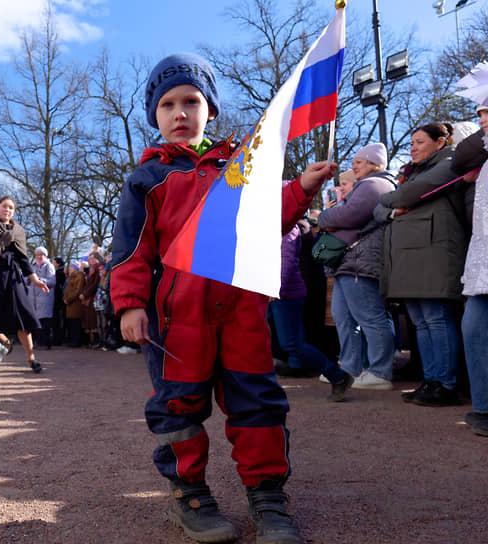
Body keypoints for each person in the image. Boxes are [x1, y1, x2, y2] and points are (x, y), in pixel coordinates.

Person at [110, 53, 336, 544]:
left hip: (242, 313)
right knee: (178, 406)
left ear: (209, 109)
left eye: (191, 101)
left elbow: (263, 219)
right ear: (155, 115)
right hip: (177, 319)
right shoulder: (147, 179)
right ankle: (188, 494)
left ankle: (268, 499)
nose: (179, 113)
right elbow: (130, 247)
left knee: (258, 403)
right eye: (167, 104)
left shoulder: (240, 166)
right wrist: (129, 302)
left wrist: (301, 189)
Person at [375, 123, 467, 407]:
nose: (412, 147)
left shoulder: (451, 162)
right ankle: (431, 381)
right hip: (411, 258)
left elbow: (399, 196)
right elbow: (379, 211)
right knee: (421, 322)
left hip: (435, 255)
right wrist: (391, 210)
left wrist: (390, 200)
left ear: (440, 143)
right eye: (411, 142)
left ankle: (446, 384)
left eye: (419, 142)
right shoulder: (412, 173)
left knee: (436, 319)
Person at [317, 143, 397, 390]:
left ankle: (380, 372)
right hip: (350, 261)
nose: (354, 166)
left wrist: (323, 218)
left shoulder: (374, 184)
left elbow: (350, 214)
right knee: (344, 317)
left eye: (360, 162)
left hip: (361, 261)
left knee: (369, 316)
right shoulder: (368, 184)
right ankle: (351, 367)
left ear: (374, 164)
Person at [271, 217, 354, 401]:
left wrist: (276, 289)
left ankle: (338, 376)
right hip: (273, 292)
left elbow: (286, 261)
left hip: (284, 294)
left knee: (292, 344)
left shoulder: (287, 229)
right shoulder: (272, 226)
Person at [0, 195, 49, 374]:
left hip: (13, 277)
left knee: (24, 319)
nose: (7, 210)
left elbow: (23, 258)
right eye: (4, 206)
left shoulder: (19, 231)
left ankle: (32, 359)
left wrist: (34, 279)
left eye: (11, 208)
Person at [452, 103, 488, 436]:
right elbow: (461, 157)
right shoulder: (482, 153)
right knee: (473, 328)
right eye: (479, 113)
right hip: (483, 261)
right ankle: (484, 409)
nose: (482, 120)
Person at [29, 246, 56, 349]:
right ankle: (37, 342)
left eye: (41, 254)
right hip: (33, 299)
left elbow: (52, 282)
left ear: (45, 256)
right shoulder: (33, 266)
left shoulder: (49, 266)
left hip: (45, 298)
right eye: (37, 255)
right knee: (35, 322)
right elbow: (29, 280)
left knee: (45, 322)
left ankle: (47, 343)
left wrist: (39, 280)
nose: (39, 256)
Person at [80, 251, 102, 348]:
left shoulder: (97, 269)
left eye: (93, 258)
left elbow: (94, 284)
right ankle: (91, 341)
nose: (90, 261)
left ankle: (96, 341)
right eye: (89, 259)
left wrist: (85, 294)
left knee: (93, 320)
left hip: (93, 297)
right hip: (88, 297)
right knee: (88, 320)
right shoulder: (90, 270)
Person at [62, 260, 85, 348]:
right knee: (71, 323)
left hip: (75, 303)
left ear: (75, 268)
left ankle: (76, 341)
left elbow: (77, 290)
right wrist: (65, 298)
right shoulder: (72, 277)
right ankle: (73, 340)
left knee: (76, 323)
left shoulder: (79, 276)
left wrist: (68, 299)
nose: (69, 269)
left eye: (71, 267)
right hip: (70, 303)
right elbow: (68, 290)